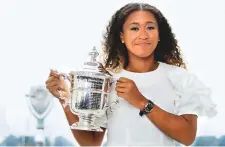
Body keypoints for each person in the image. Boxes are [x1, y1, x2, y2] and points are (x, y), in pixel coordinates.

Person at [45, 2, 217, 146]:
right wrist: (64, 98)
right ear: (122, 36)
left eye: (150, 27)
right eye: (134, 28)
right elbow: (91, 142)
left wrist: (141, 101)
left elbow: (187, 136)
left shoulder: (181, 78)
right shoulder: (107, 80)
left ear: (159, 35)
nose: (143, 35)